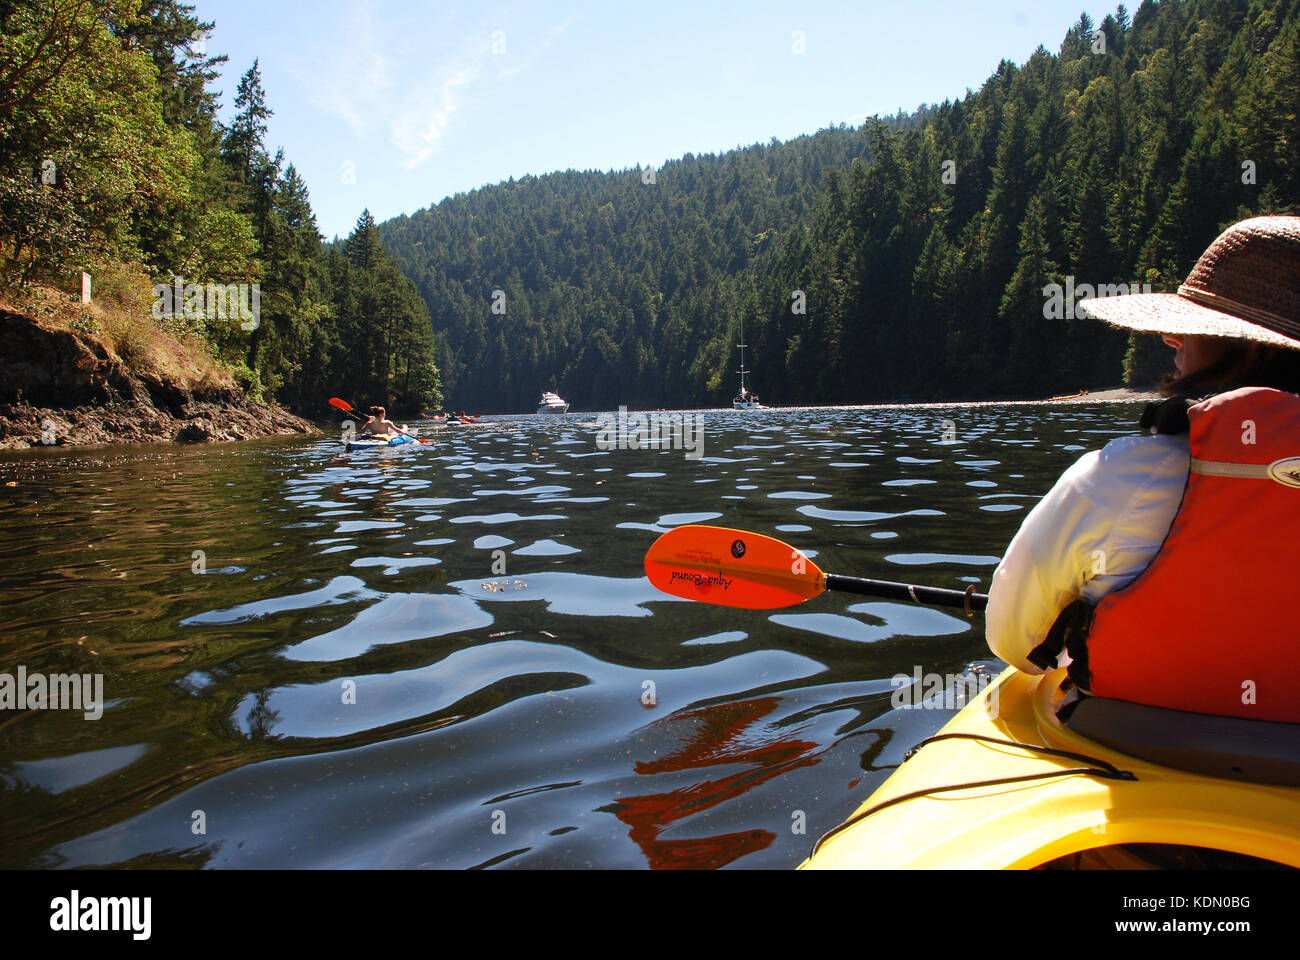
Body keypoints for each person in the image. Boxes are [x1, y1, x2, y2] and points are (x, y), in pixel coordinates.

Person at [985, 216, 1300, 723]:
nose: (1173, 340)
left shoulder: (1121, 477)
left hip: (1136, 742)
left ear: (1254, 349)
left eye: (1195, 328)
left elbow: (1011, 642)